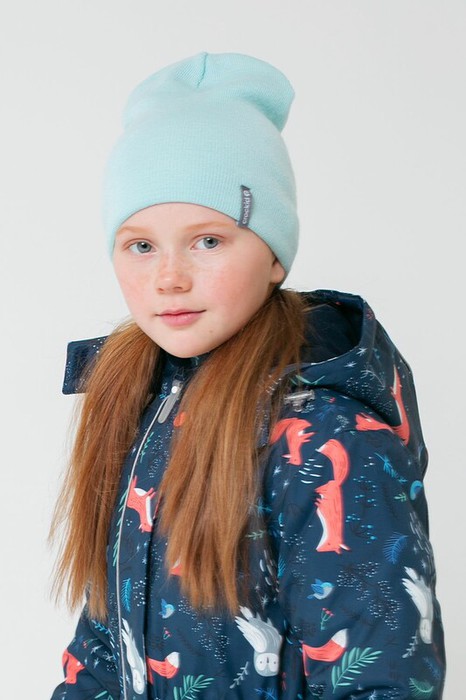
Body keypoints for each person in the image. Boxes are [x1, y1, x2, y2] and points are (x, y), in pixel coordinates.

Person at [49, 52, 446, 699]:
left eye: (208, 240)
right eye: (141, 245)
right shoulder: (138, 407)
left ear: (274, 255)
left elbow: (379, 676)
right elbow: (103, 642)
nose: (169, 277)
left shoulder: (326, 435)